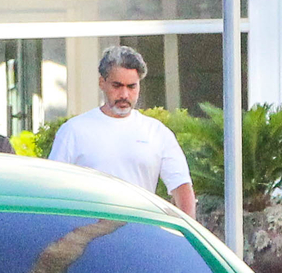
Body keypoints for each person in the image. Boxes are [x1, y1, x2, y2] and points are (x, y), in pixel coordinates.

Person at [48, 45, 196, 214]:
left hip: (141, 229)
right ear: (102, 83)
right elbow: (54, 187)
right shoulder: (73, 131)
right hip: (87, 232)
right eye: (117, 86)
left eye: (131, 86)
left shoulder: (157, 132)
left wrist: (187, 234)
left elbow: (181, 186)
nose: (124, 94)